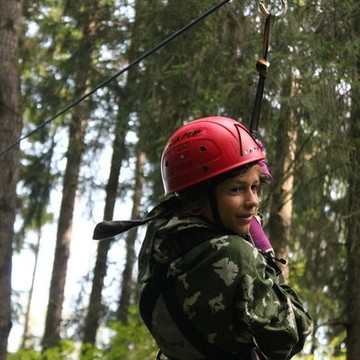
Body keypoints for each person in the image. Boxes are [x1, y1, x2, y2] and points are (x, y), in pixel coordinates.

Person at [93, 115, 313, 360]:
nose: (253, 202)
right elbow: (292, 335)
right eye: (237, 189)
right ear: (199, 196)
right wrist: (265, 257)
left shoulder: (163, 237)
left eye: (255, 187)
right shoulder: (235, 254)